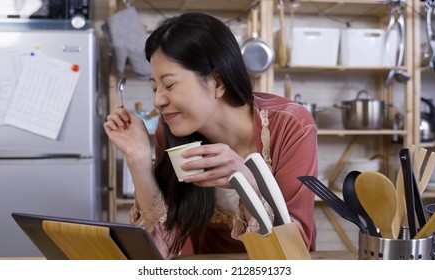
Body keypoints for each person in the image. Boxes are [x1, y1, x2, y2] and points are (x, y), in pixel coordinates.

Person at [103, 12, 318, 259]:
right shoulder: (172, 130)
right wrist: (138, 159)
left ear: (216, 82)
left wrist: (246, 181)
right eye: (154, 87)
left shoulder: (291, 126)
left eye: (169, 85)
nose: (158, 101)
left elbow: (293, 249)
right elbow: (163, 250)